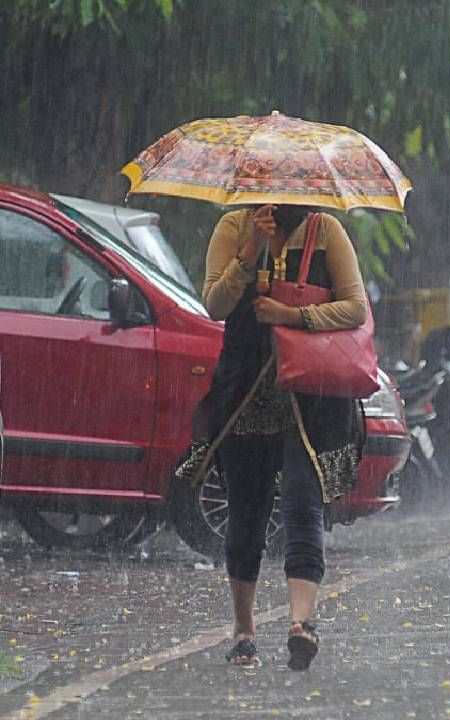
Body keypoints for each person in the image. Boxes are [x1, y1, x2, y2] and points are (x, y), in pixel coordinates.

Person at [185, 203, 366, 670]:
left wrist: (293, 315)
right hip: (246, 392)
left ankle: (302, 623)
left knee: (304, 503)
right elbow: (215, 304)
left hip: (310, 397)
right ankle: (244, 632)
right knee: (247, 510)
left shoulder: (326, 231)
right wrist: (248, 255)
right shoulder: (233, 226)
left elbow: (355, 307)